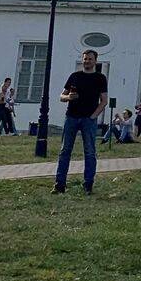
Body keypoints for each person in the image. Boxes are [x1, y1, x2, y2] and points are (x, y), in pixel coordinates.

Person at [54, 49, 109, 193]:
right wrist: (68, 98)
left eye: (90, 59)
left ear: (95, 61)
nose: (87, 61)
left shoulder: (100, 78)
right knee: (65, 150)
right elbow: (61, 96)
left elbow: (104, 101)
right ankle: (60, 184)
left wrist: (93, 116)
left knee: (89, 152)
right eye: (85, 59)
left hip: (88, 120)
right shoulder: (75, 76)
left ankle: (88, 184)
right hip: (71, 117)